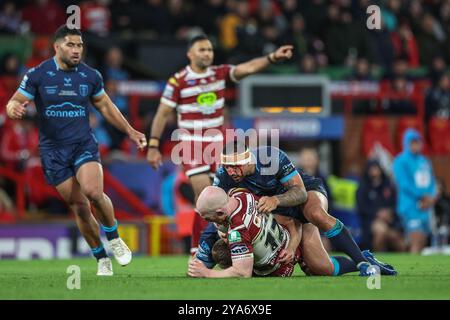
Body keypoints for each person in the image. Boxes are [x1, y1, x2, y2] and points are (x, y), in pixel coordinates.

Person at [6, 25, 147, 276]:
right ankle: (101, 258)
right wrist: (13, 108)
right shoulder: (38, 74)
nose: (76, 50)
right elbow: (15, 100)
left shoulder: (90, 76)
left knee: (94, 192)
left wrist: (130, 131)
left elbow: (106, 106)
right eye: (71, 45)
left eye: (80, 45)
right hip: (53, 151)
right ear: (57, 47)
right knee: (80, 206)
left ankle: (114, 237)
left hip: (83, 144)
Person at [146, 34, 293, 254]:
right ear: (190, 54)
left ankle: (236, 241)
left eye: (209, 50)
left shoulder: (219, 73)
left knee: (230, 194)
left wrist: (271, 57)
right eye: (202, 50)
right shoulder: (178, 80)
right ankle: (198, 249)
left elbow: (248, 68)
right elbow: (162, 113)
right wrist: (153, 146)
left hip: (218, 142)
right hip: (191, 142)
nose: (207, 54)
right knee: (204, 195)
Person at [211, 141, 396, 276]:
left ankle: (363, 263)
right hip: (280, 214)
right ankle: (363, 260)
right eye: (227, 167)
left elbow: (300, 193)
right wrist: (220, 229)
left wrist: (275, 200)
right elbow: (215, 208)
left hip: (304, 194)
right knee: (322, 268)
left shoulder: (271, 157)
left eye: (235, 167)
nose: (231, 172)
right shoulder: (223, 175)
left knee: (315, 213)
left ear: (247, 160)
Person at [188, 186, 394, 278]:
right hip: (289, 236)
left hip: (296, 234)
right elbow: (281, 218)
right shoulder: (243, 195)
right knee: (324, 269)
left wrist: (207, 273)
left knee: (325, 269)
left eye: (209, 218)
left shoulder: (238, 231)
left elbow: (242, 273)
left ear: (220, 211)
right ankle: (364, 258)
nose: (209, 223)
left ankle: (362, 259)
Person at [393, 129, 437, 253]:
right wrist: (423, 196)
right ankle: (411, 268)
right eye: (412, 142)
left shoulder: (425, 161)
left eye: (418, 142)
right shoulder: (400, 161)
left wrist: (431, 198)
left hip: (425, 207)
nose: (416, 145)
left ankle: (416, 267)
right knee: (416, 239)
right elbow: (404, 184)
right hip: (410, 206)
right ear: (406, 143)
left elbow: (432, 181)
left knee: (422, 240)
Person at [356, 159, 406, 252]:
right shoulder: (363, 187)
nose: (374, 171)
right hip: (370, 222)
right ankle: (378, 260)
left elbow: (394, 205)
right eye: (372, 169)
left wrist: (389, 213)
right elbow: (361, 207)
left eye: (376, 168)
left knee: (400, 243)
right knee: (381, 232)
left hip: (390, 222)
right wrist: (377, 213)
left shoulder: (388, 186)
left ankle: (406, 264)